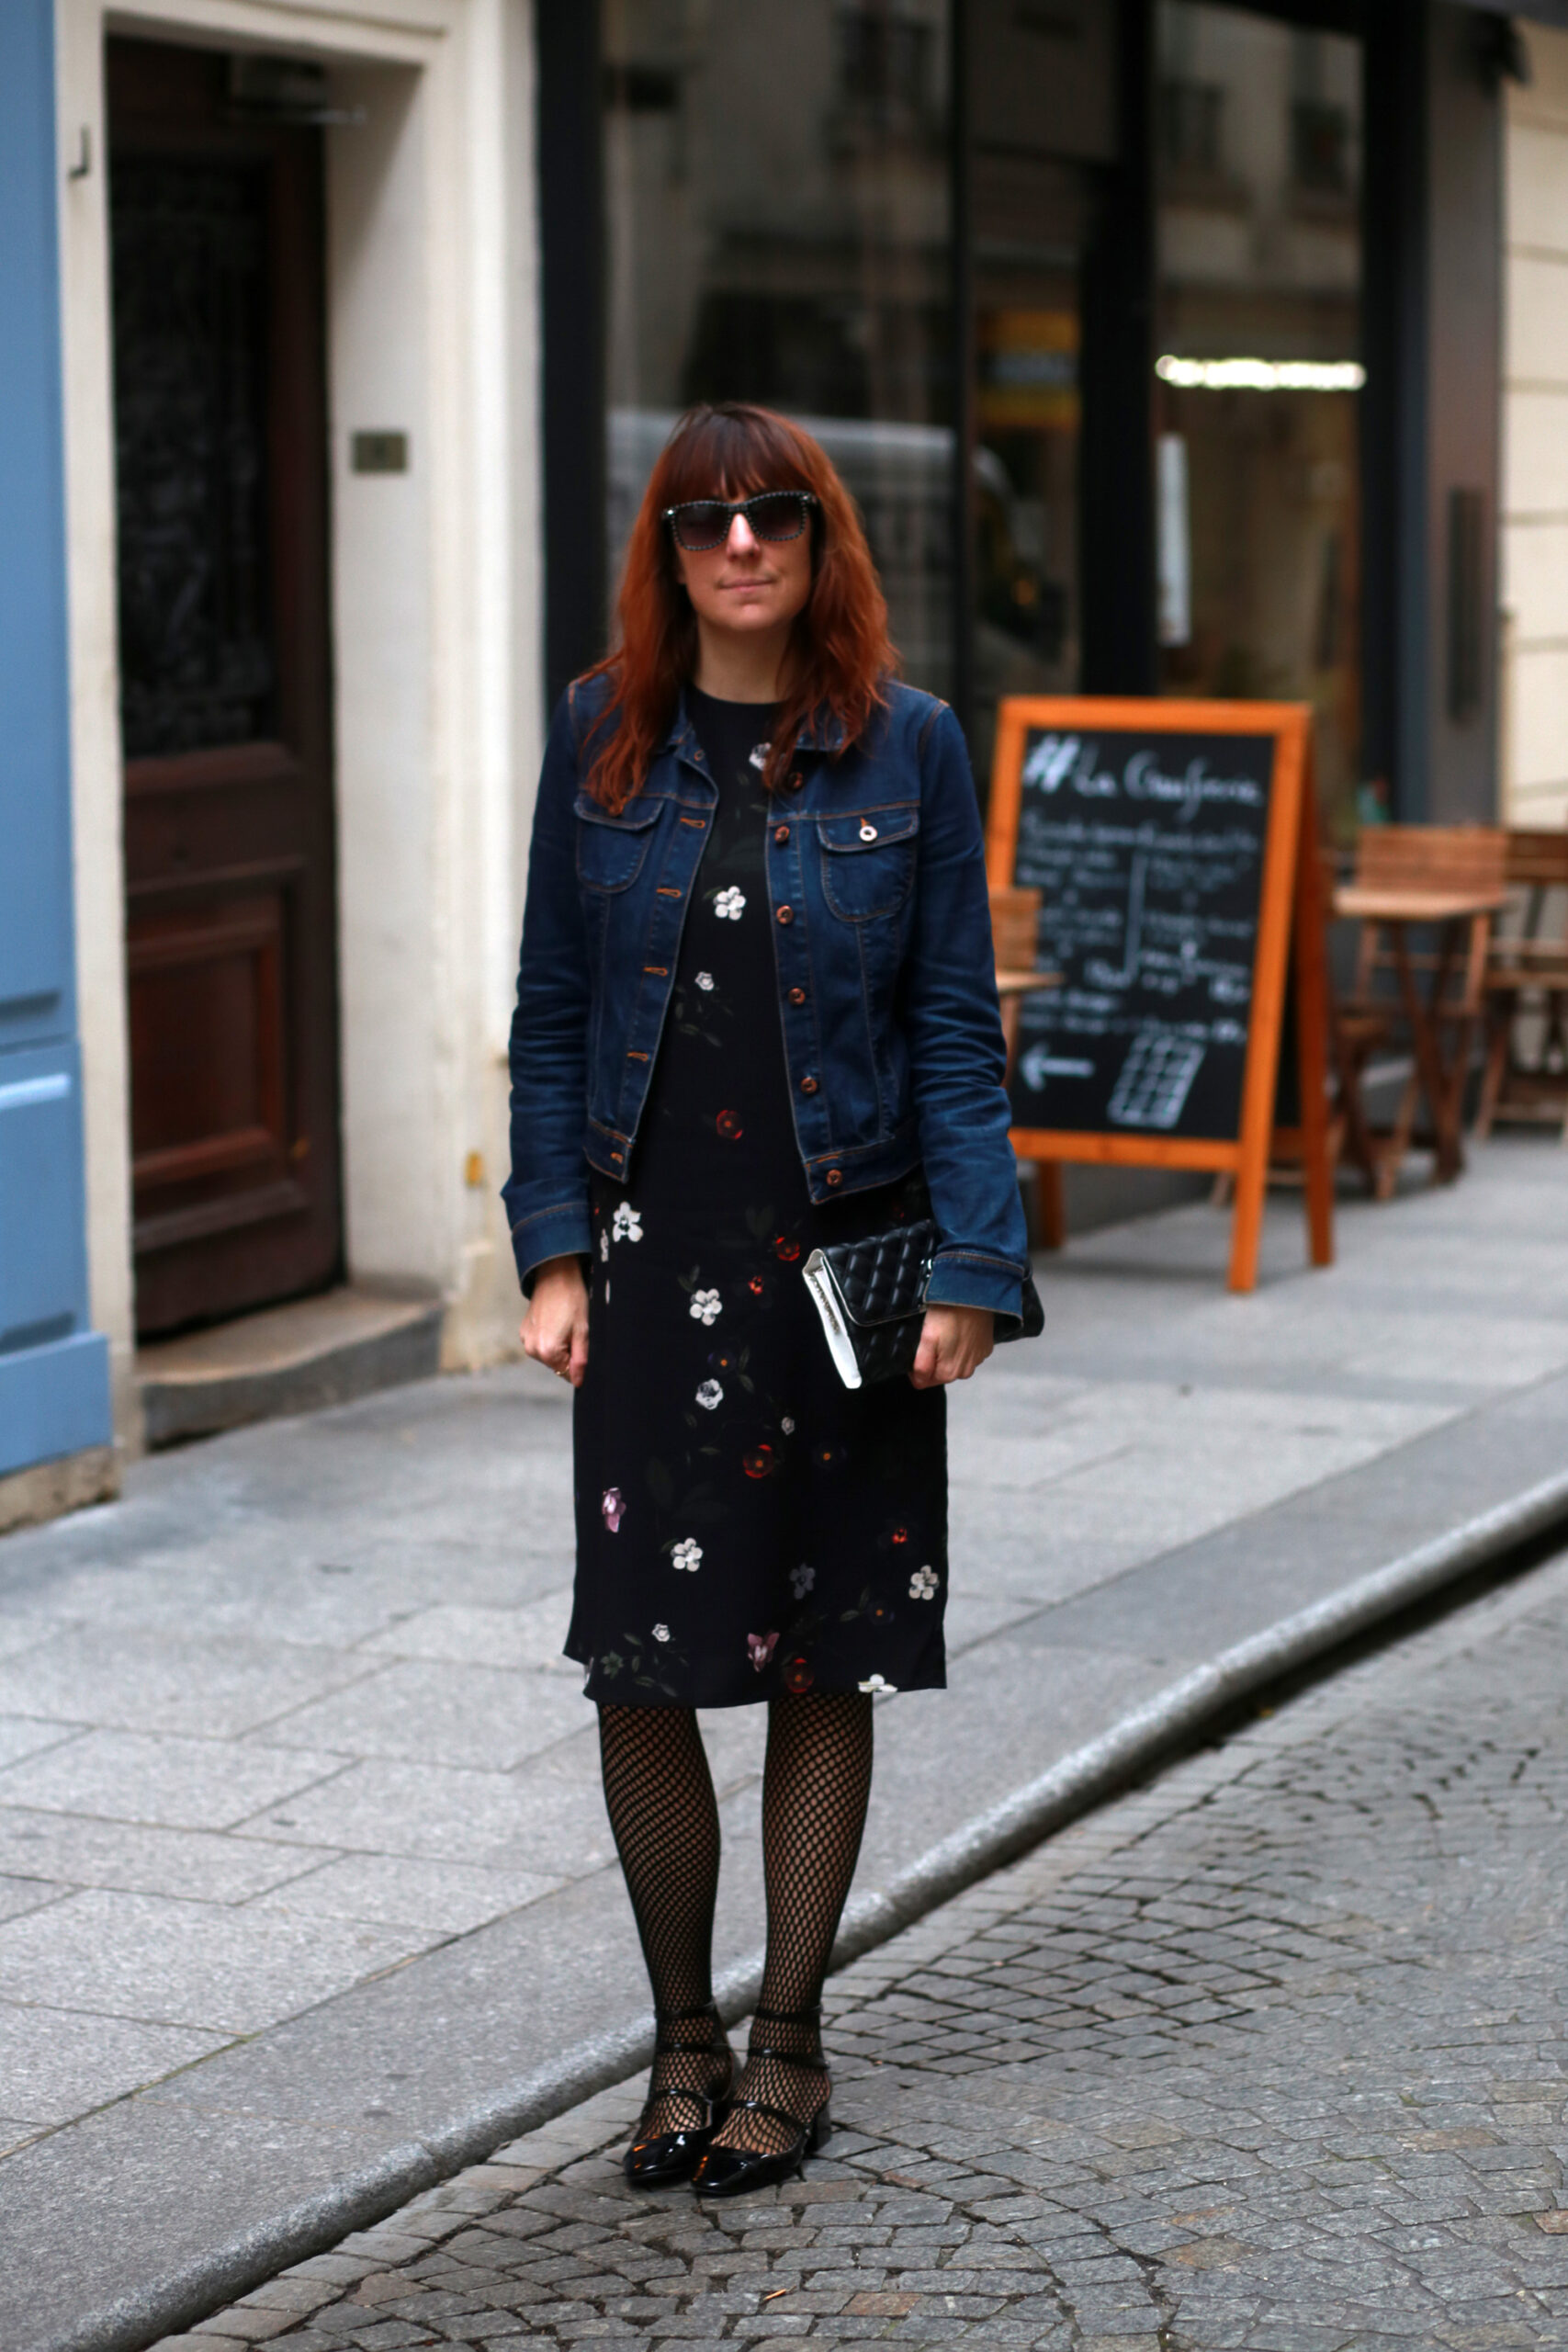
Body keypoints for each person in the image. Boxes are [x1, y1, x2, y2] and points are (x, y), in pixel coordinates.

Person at [503, 402, 1032, 2198]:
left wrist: (973, 1265)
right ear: (665, 549)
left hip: (843, 1264)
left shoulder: (910, 744)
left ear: (819, 541)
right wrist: (549, 1248)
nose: (740, 543)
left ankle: (788, 2040)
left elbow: (952, 1026)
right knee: (638, 1663)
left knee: (826, 1646)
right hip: (651, 1263)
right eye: (704, 518)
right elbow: (552, 1006)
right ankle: (682, 2039)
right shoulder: (600, 732)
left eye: (774, 514)